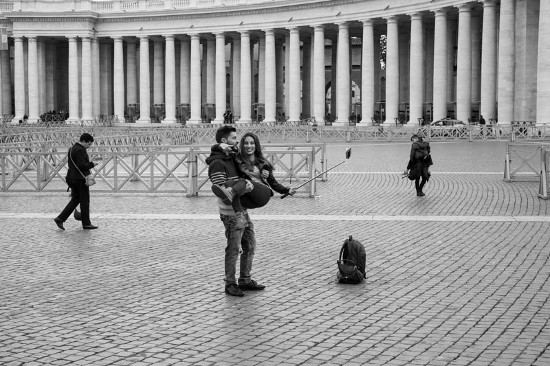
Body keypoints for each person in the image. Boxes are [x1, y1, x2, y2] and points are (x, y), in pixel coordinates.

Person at [206, 125, 265, 297]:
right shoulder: (217, 163)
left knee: (250, 245)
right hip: (230, 213)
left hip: (242, 211)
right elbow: (222, 192)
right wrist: (243, 190)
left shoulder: (231, 158)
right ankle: (230, 283)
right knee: (233, 248)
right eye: (233, 138)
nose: (237, 142)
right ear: (225, 141)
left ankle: (245, 279)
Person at [54, 133, 98, 230]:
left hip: (72, 178)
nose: (89, 146)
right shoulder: (80, 150)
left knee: (76, 199)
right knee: (85, 201)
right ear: (83, 141)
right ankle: (86, 223)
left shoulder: (72, 148)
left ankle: (60, 218)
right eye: (89, 144)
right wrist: (92, 164)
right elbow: (82, 165)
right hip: (80, 179)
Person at [235, 132, 296, 203]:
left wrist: (287, 190)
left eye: (252, 143)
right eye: (246, 143)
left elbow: (273, 183)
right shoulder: (237, 160)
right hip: (245, 193)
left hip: (261, 192)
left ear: (256, 145)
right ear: (242, 145)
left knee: (243, 183)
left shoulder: (263, 163)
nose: (249, 146)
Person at [406, 131, 432, 197]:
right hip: (424, 163)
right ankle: (420, 190)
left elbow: (412, 157)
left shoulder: (415, 145)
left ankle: (418, 192)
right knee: (425, 177)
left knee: (417, 178)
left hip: (417, 163)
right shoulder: (426, 144)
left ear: (417, 138)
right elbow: (428, 152)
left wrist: (408, 168)